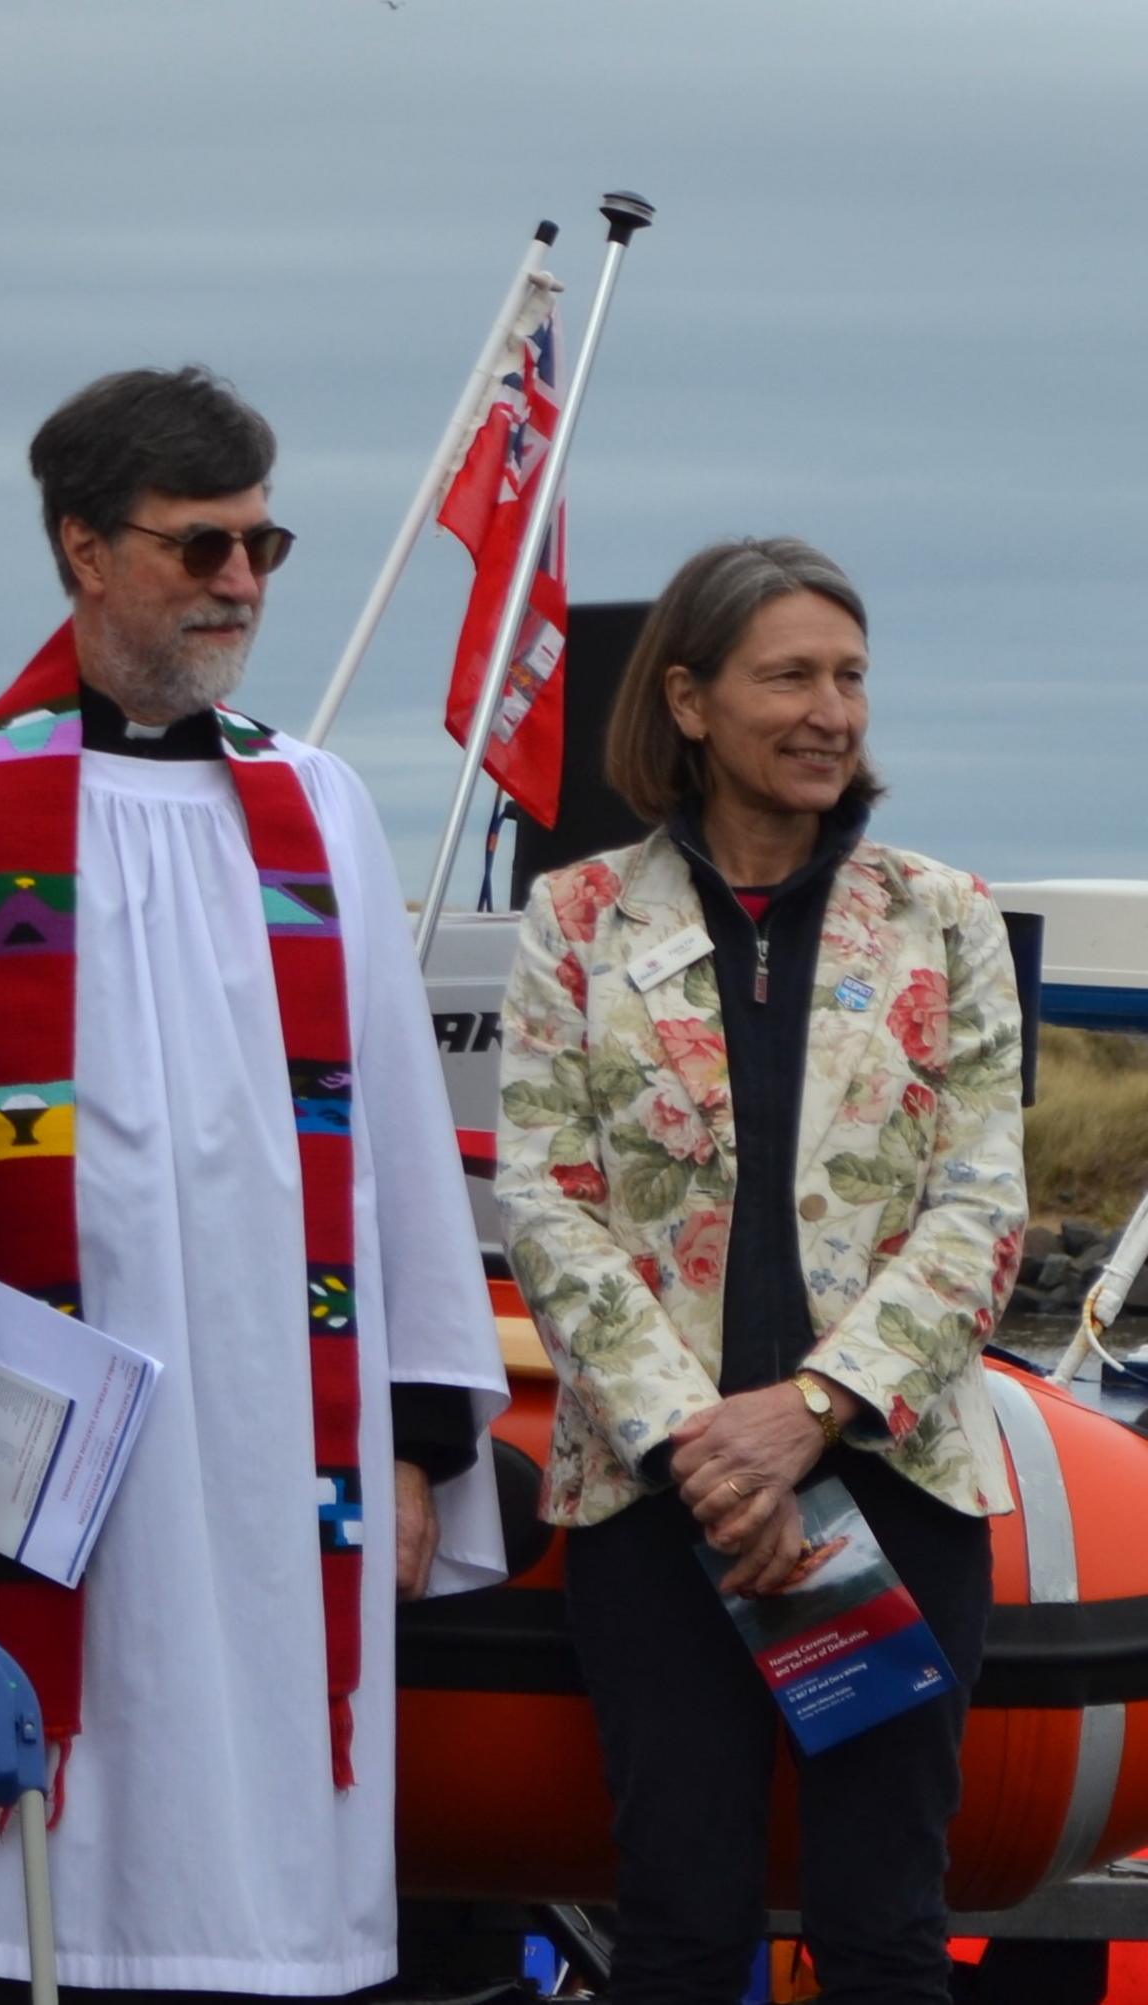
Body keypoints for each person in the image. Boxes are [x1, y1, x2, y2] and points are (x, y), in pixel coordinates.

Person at [0, 367, 508, 2005]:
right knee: (0, 1877)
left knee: (240, 1852)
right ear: (83, 549)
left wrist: (412, 1445)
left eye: (265, 544)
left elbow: (394, 1137)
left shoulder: (313, 804)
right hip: (15, 1451)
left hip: (270, 1448)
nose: (241, 584)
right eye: (201, 548)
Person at [493, 536, 1021, 2005]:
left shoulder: (944, 915)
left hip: (894, 1479)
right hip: (659, 1499)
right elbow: (548, 1200)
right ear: (687, 697)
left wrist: (810, 1412)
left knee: (882, 1926)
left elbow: (983, 1205)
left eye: (850, 677)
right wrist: (705, 1446)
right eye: (789, 674)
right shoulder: (580, 919)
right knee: (677, 1915)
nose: (830, 711)